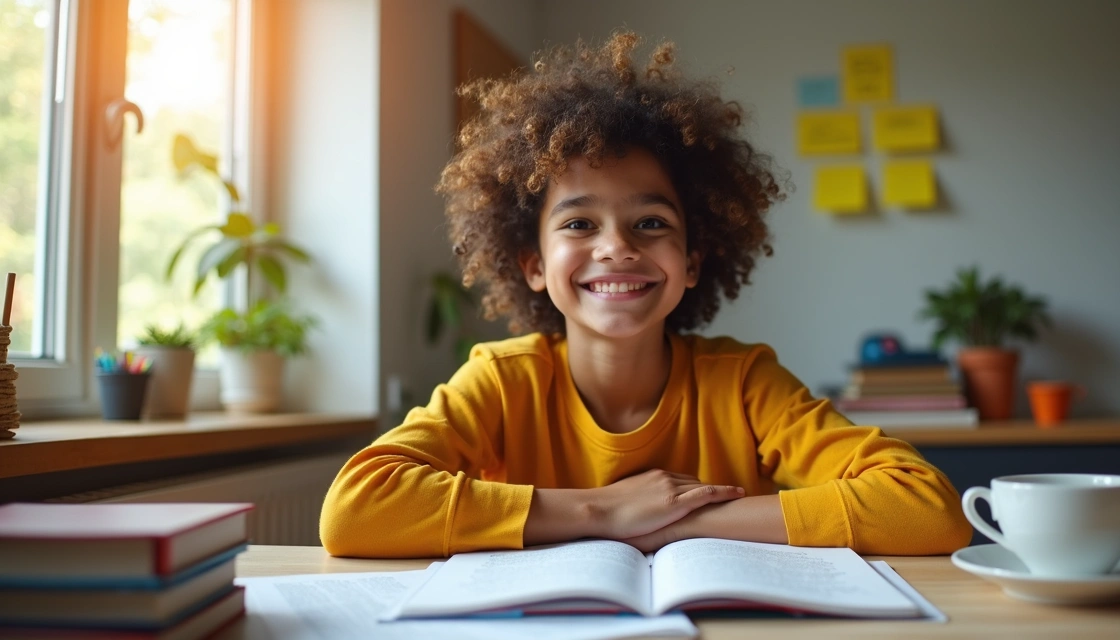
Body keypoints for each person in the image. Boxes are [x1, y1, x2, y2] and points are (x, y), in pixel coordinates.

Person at [320, 32, 971, 558]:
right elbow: (356, 509)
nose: (617, 248)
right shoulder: (501, 382)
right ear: (533, 264)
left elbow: (926, 508)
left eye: (651, 223)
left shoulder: (742, 383)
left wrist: (684, 521)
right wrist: (607, 511)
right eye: (579, 223)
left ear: (691, 263)